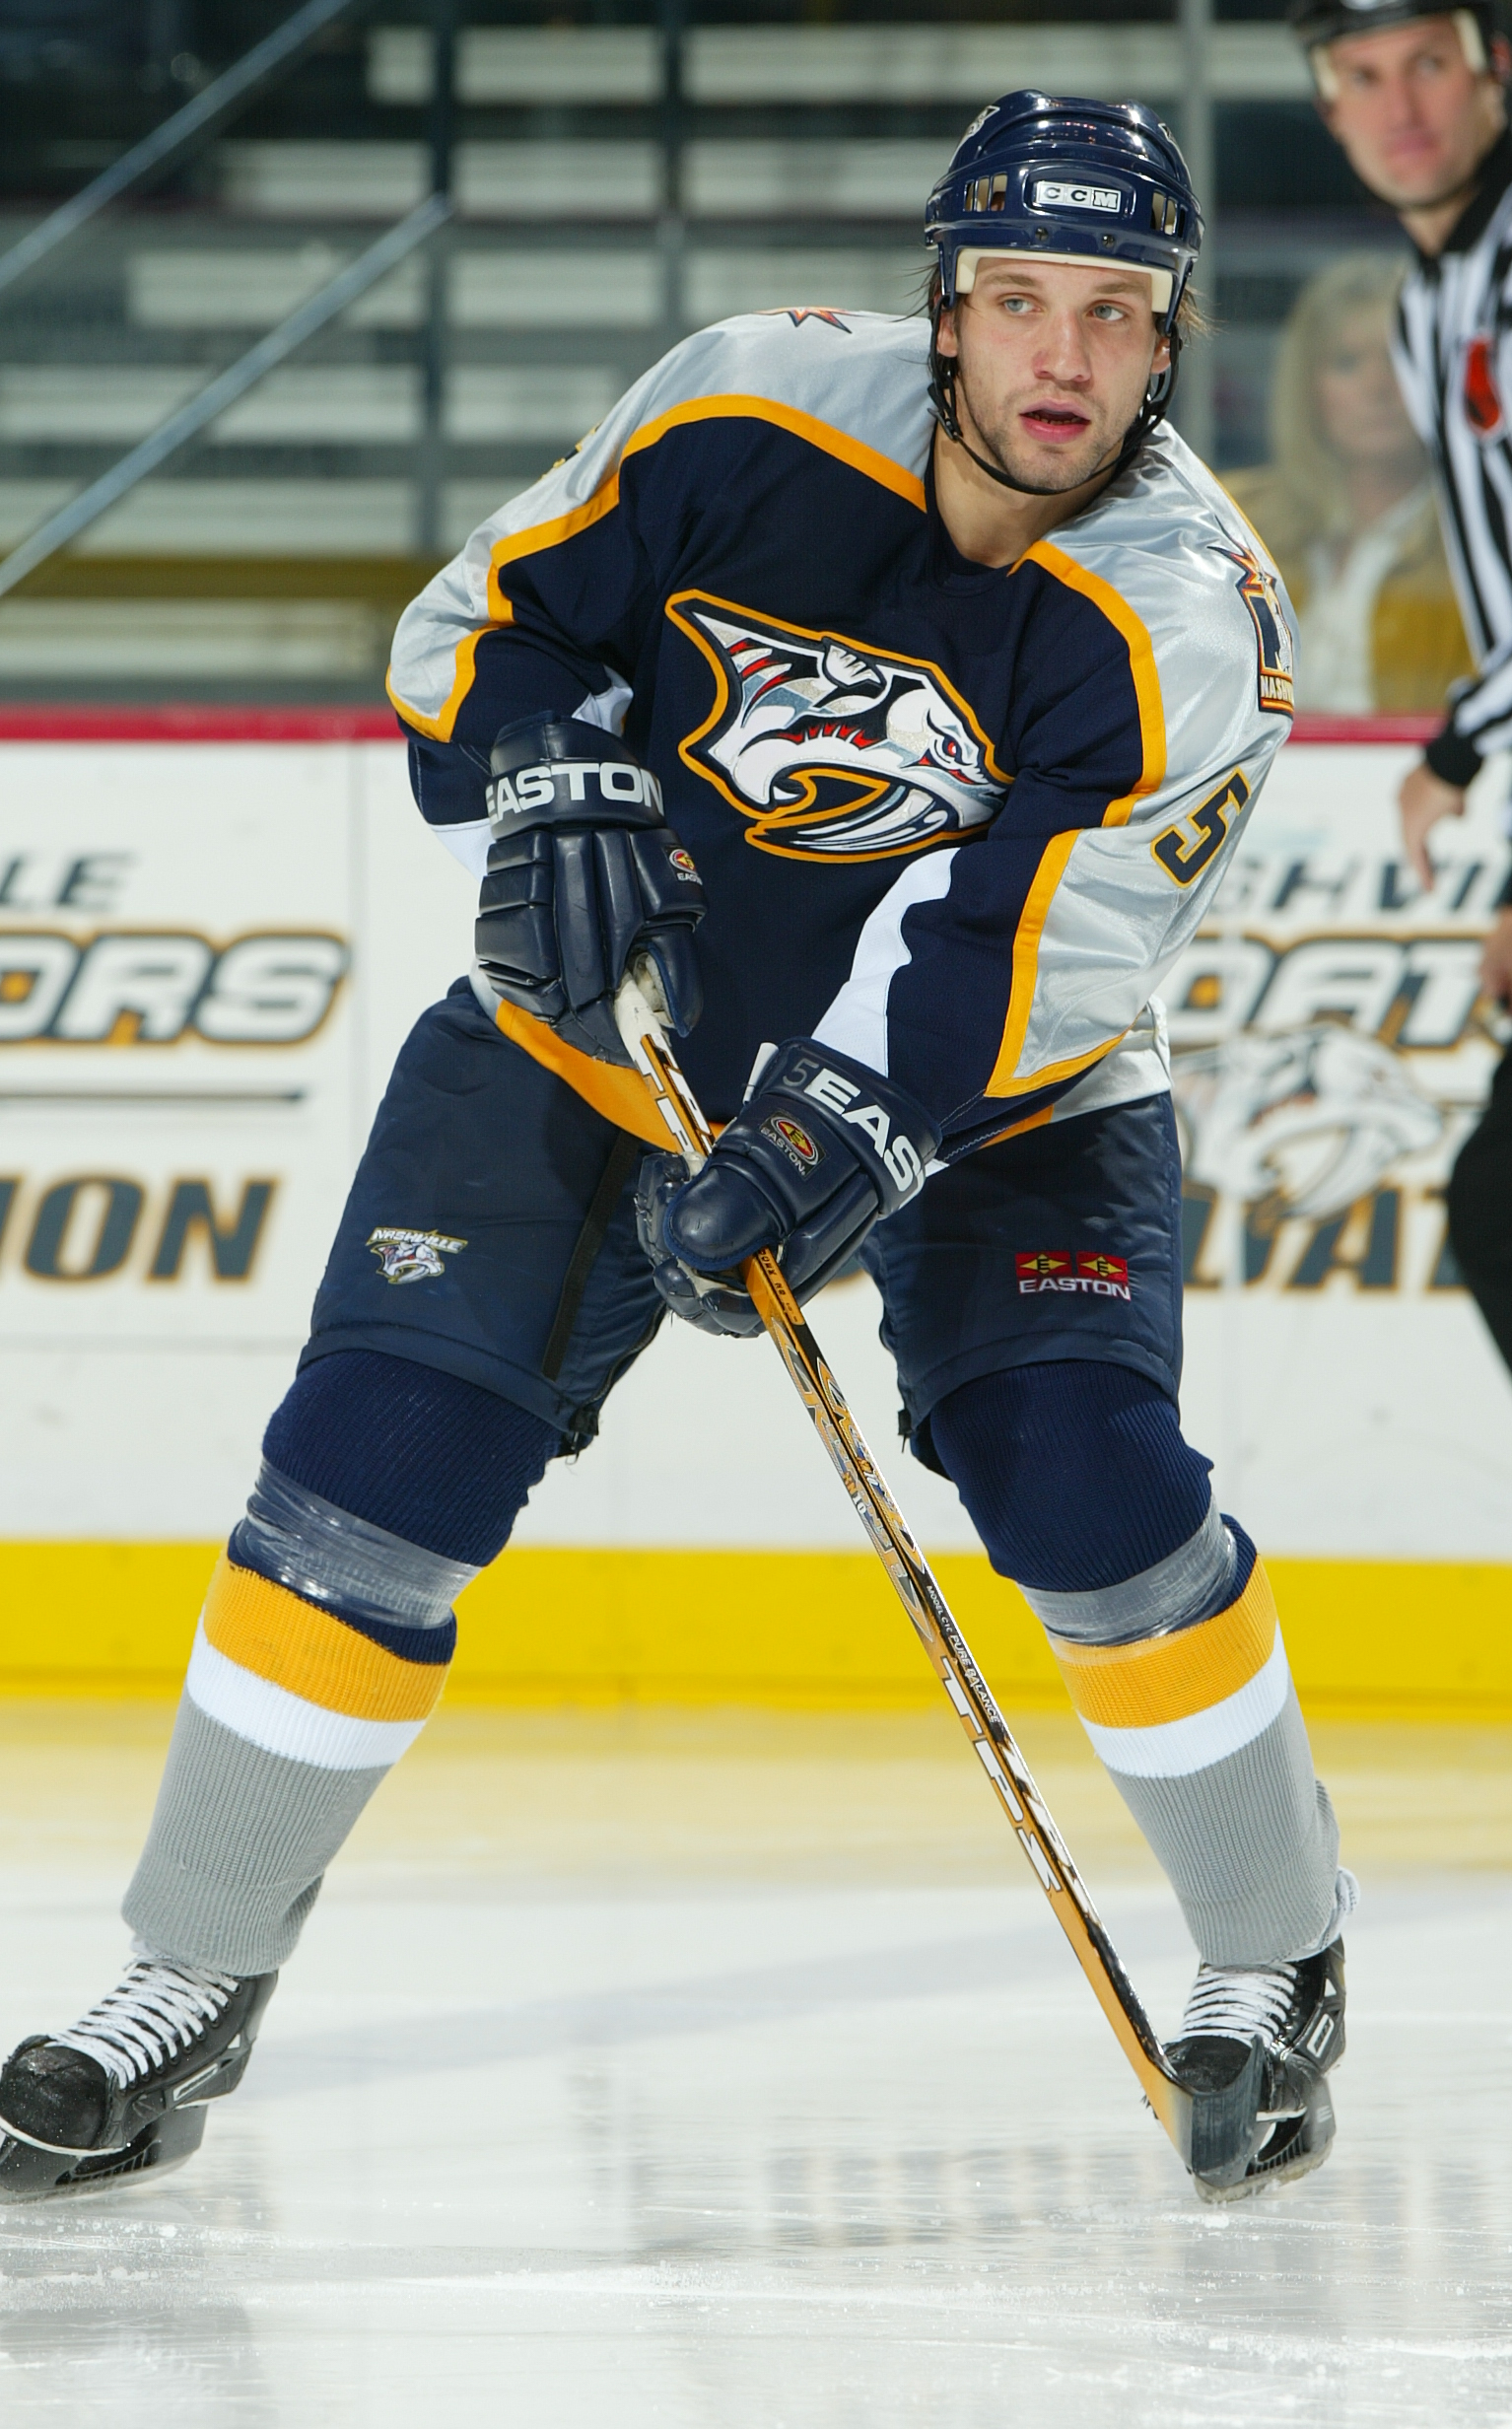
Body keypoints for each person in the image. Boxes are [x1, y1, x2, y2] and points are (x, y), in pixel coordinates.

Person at [0, 94, 1355, 2208]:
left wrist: (829, 1141)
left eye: (1110, 311)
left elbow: (1023, 953)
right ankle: (185, 1974)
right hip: (595, 1045)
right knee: (370, 1465)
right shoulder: (736, 411)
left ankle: (1274, 1955)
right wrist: (548, 771)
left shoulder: (1187, 614)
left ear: (1169, 339)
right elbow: (474, 625)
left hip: (1003, 1100)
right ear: (943, 307)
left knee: (1089, 1492)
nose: (1059, 360)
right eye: (1015, 300)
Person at [1296, 0, 1512, 1782]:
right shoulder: (1441, 294)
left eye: (1424, 59)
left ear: (1492, 63)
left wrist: (1463, 745)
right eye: (1355, 77)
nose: (1395, 104)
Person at [1224, 251, 1472, 713]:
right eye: (1347, 362)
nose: (1378, 387)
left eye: (1401, 358)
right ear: (1307, 386)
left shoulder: (1480, 542)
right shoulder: (1233, 525)